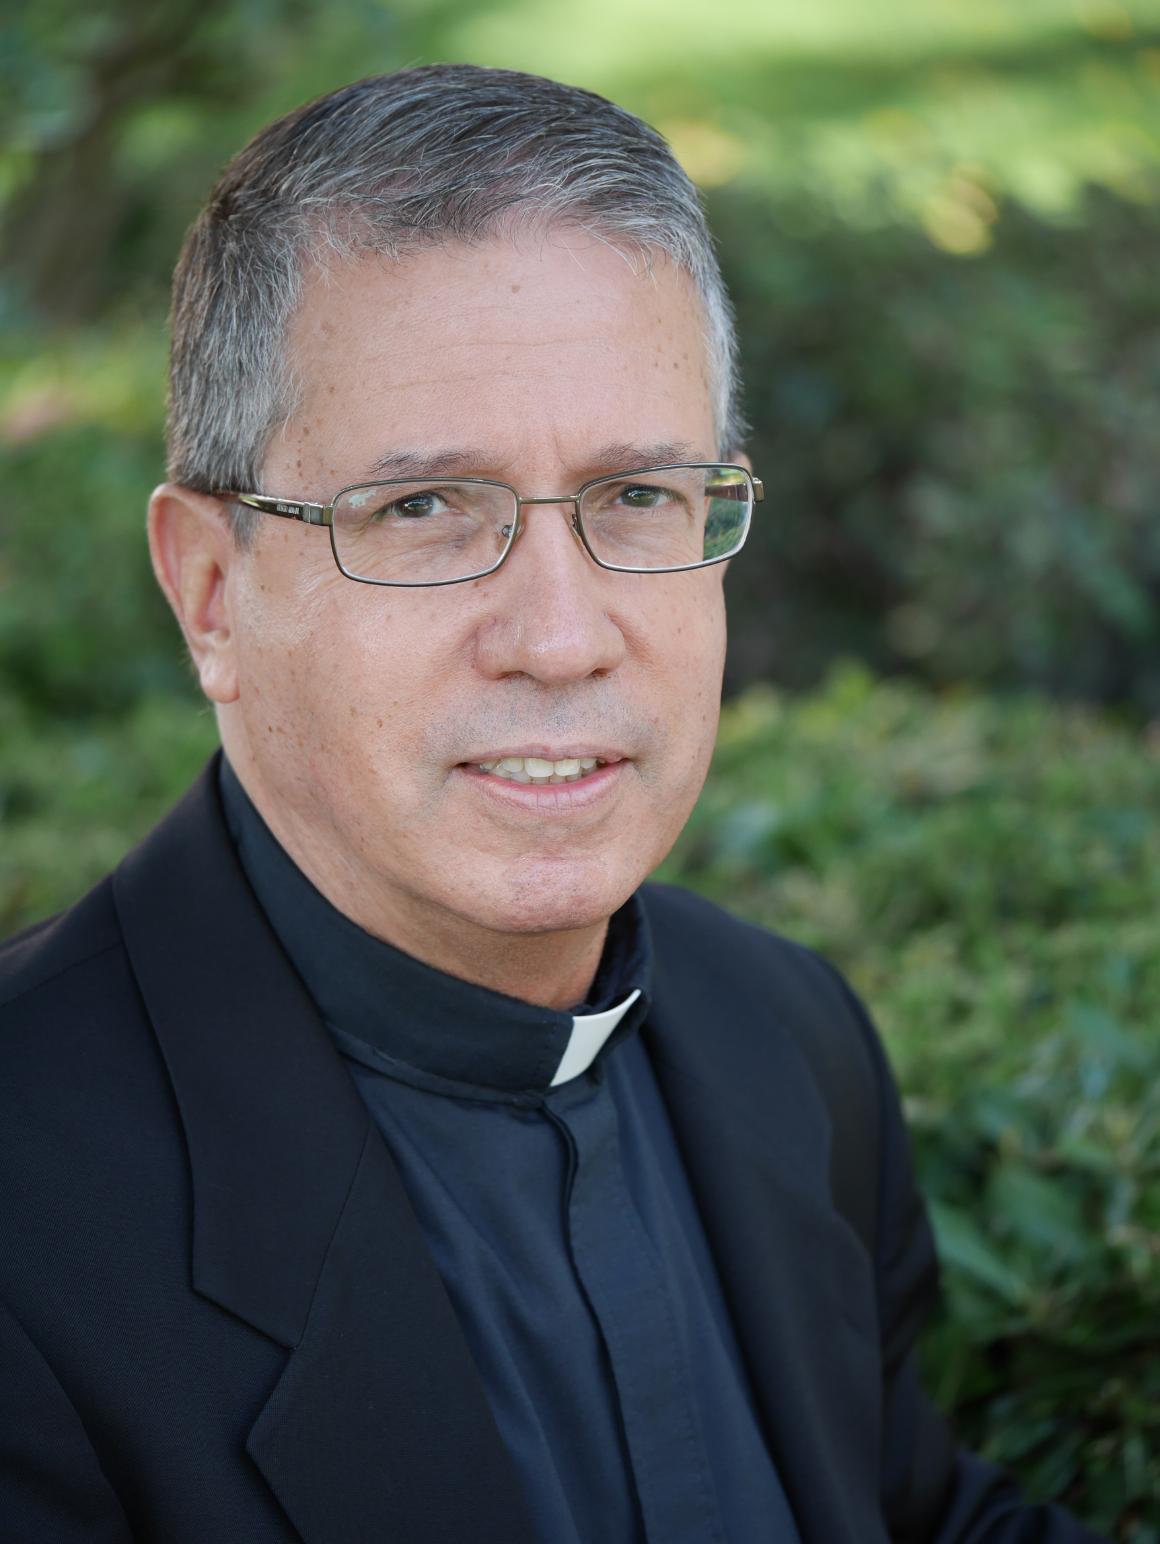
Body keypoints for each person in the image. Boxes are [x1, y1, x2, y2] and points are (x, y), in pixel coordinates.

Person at [0, 65, 1105, 1544]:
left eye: (638, 495)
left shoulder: (787, 1035)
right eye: (424, 508)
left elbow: (906, 1509)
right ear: (211, 590)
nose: (562, 634)